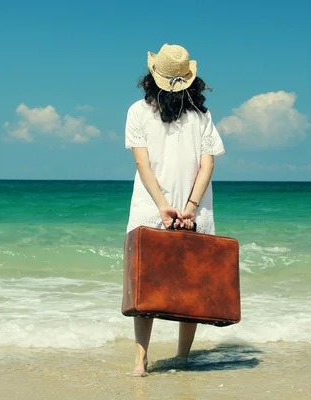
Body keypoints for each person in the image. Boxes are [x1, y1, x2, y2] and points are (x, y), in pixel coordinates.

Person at [124, 43, 225, 376]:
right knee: (191, 288)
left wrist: (163, 206)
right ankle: (182, 358)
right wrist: (190, 208)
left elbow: (143, 164)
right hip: (192, 211)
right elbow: (207, 165)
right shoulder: (202, 116)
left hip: (151, 208)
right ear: (191, 81)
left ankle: (140, 360)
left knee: (145, 288)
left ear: (152, 79)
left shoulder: (137, 111)